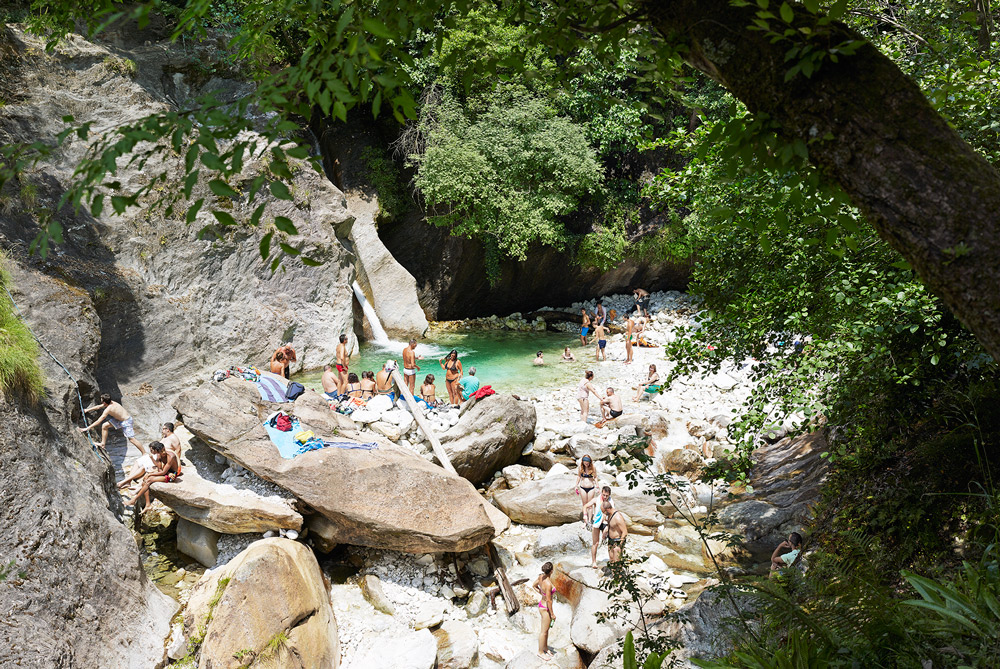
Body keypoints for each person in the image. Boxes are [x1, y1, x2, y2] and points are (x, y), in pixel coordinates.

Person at [80, 393, 145, 453]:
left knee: (132, 439)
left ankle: (144, 453)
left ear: (105, 402)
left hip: (126, 421)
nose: (101, 401)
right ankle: (102, 443)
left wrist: (87, 428)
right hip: (118, 420)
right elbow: (99, 406)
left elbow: (99, 421)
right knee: (104, 426)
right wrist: (87, 410)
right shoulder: (111, 402)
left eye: (101, 400)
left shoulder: (108, 409)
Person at [125, 442, 180, 511]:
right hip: (167, 472)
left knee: (149, 480)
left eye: (164, 449)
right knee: (145, 481)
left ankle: (134, 500)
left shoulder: (170, 456)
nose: (164, 452)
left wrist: (150, 474)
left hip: (173, 475)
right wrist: (152, 459)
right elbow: (159, 467)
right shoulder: (159, 455)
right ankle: (148, 505)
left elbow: (163, 472)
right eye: (161, 451)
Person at [583, 486, 616, 568]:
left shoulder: (611, 503)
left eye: (607, 496)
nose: (605, 497)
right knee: (595, 543)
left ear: (609, 495)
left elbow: (613, 514)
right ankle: (594, 562)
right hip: (597, 522)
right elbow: (585, 506)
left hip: (605, 522)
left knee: (609, 541)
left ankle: (612, 561)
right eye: (603, 495)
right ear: (601, 493)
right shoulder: (596, 500)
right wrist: (585, 515)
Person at [532, 562, 556, 660]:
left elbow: (534, 585)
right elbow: (549, 601)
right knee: (543, 632)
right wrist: (552, 614)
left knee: (546, 630)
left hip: (541, 605)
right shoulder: (548, 584)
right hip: (546, 608)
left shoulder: (541, 577)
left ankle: (545, 647)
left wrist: (542, 594)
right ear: (551, 571)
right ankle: (540, 652)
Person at [575, 455, 599, 526]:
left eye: (588, 462)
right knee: (584, 504)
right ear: (583, 461)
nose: (586, 463)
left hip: (591, 487)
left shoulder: (593, 467)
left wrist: (597, 485)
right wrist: (576, 485)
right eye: (585, 462)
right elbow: (579, 476)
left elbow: (595, 477)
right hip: (582, 487)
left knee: (590, 505)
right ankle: (585, 521)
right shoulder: (580, 467)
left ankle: (589, 520)